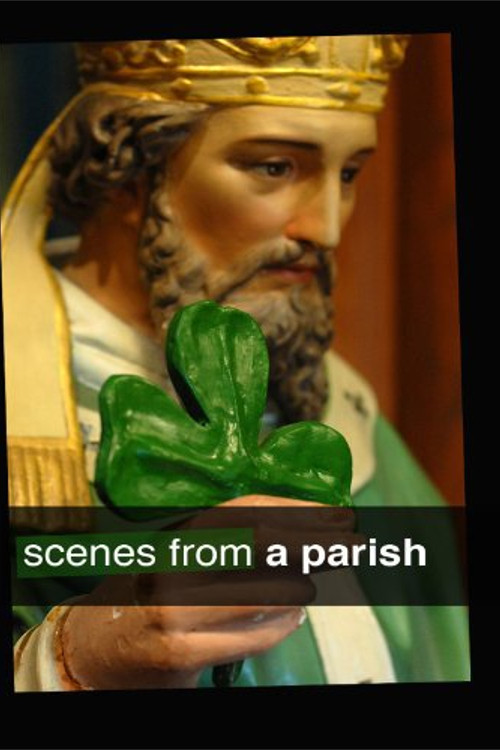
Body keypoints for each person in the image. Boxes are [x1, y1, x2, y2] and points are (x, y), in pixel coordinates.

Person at [3, 35, 469, 690]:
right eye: (275, 167)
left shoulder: (339, 404)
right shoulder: (25, 414)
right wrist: (70, 661)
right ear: (128, 171)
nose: (327, 229)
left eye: (349, 175)